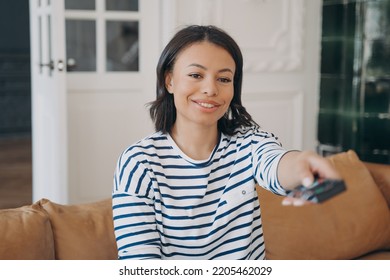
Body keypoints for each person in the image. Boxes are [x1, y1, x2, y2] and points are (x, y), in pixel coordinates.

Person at [112, 25, 340, 260]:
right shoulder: (138, 162)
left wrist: (302, 163)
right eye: (196, 75)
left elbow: (275, 163)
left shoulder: (249, 142)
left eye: (224, 78)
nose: (211, 89)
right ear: (169, 81)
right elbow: (138, 262)